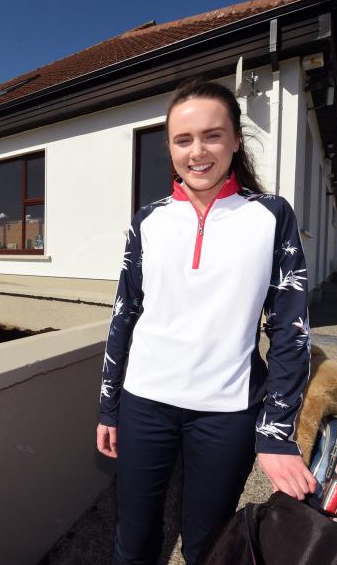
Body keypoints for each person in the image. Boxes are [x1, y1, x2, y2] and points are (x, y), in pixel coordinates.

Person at [96, 76, 317, 565]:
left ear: (236, 140)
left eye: (212, 135)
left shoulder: (270, 216)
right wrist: (109, 406)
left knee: (207, 546)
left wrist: (277, 431)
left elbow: (290, 328)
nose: (198, 151)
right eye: (183, 139)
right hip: (143, 405)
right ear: (171, 149)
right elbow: (124, 315)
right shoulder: (147, 220)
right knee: (131, 542)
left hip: (227, 414)